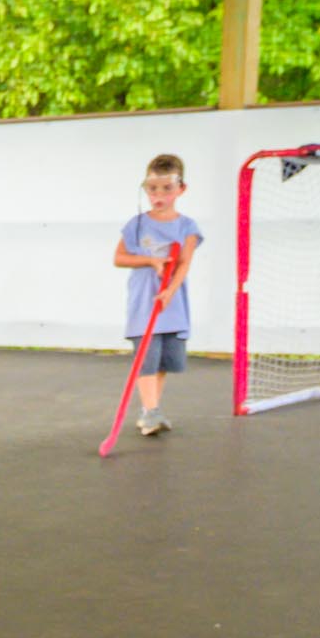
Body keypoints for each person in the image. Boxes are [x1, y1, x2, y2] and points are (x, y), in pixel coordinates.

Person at [112, 153, 204, 436]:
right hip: (144, 303)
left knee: (163, 361)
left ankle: (150, 409)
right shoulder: (136, 224)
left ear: (180, 189)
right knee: (146, 359)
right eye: (153, 189)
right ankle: (151, 412)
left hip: (172, 304)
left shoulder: (187, 226)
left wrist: (169, 293)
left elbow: (185, 263)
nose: (159, 194)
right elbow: (119, 258)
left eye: (166, 188)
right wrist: (151, 261)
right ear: (146, 189)